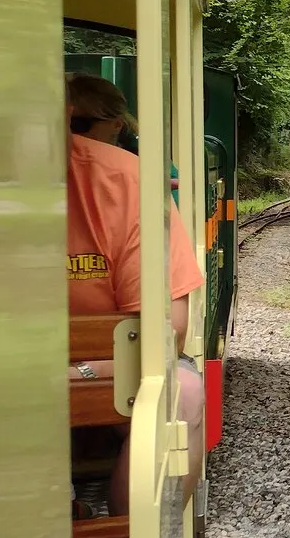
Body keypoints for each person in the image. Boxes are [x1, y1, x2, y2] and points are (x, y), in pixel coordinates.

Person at [66, 72, 205, 515]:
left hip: (96, 365)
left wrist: (82, 373)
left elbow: (169, 330)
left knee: (180, 392)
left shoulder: (126, 181)